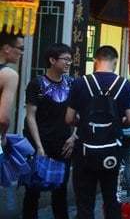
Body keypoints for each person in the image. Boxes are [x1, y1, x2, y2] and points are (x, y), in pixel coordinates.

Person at [66, 46, 130, 219]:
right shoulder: (123, 84)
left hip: (84, 150)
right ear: (115, 61)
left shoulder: (80, 82)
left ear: (95, 61)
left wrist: (82, 123)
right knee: (111, 199)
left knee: (84, 202)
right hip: (112, 151)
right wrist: (119, 124)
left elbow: (68, 118)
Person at [22, 43, 76, 219]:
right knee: (33, 191)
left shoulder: (71, 83)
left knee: (60, 191)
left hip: (63, 144)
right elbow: (30, 116)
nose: (69, 63)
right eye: (65, 59)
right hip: (39, 143)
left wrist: (74, 136)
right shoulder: (37, 84)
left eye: (70, 59)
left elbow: (78, 114)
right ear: (52, 60)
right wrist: (38, 146)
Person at [0, 31, 23, 141]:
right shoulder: (9, 75)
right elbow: (3, 119)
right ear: (7, 48)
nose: (21, 53)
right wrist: (3, 136)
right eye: (20, 48)